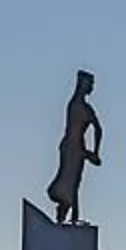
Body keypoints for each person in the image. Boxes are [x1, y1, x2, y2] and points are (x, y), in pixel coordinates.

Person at [46, 70, 102, 224]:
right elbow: (98, 129)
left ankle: (69, 217)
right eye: (90, 83)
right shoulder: (80, 106)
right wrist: (94, 153)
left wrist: (94, 153)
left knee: (71, 182)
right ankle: (70, 217)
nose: (92, 87)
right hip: (73, 148)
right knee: (71, 182)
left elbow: (98, 129)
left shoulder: (78, 105)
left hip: (71, 147)